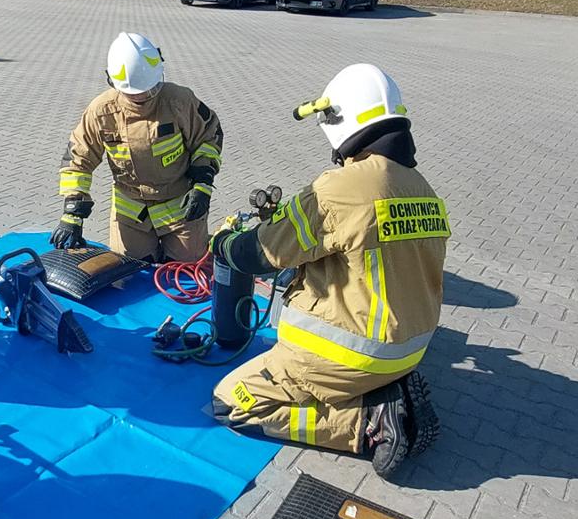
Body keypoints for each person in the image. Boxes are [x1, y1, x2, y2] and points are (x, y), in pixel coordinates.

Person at [208, 64, 448, 480]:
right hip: (410, 350)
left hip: (342, 358)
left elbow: (258, 254)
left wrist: (223, 243)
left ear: (339, 119)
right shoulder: (423, 188)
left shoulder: (340, 187)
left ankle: (368, 423)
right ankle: (385, 390)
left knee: (231, 401)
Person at [52, 32, 223, 262]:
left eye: (150, 90)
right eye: (135, 94)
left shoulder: (179, 101)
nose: (144, 97)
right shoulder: (102, 111)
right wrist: (72, 213)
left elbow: (209, 136)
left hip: (181, 210)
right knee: (128, 274)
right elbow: (77, 160)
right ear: (113, 82)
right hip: (131, 216)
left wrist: (203, 185)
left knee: (190, 272)